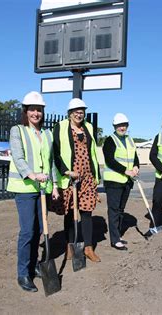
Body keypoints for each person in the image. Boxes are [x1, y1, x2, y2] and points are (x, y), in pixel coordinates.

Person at [6, 91, 58, 292]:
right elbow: (18, 158)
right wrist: (32, 174)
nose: (36, 113)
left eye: (39, 110)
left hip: (43, 189)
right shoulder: (17, 130)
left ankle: (34, 264)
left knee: (39, 229)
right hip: (25, 188)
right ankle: (23, 273)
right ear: (26, 111)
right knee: (27, 231)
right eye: (32, 109)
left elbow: (50, 161)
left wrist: (52, 185)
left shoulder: (46, 134)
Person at [52, 98, 101, 262]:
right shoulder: (60, 126)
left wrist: (96, 176)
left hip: (87, 177)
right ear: (70, 113)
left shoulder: (89, 127)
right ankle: (70, 245)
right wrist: (66, 171)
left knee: (87, 212)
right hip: (69, 178)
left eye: (82, 111)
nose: (79, 114)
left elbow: (93, 153)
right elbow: (56, 152)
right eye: (76, 111)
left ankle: (88, 248)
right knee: (70, 214)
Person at [102, 113, 140, 251]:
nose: (122, 128)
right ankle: (115, 240)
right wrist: (125, 170)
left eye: (124, 125)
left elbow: (135, 156)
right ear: (114, 126)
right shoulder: (110, 140)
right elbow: (110, 160)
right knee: (114, 210)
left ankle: (117, 235)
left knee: (120, 210)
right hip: (114, 181)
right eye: (119, 125)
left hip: (126, 182)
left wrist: (136, 166)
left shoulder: (130, 140)